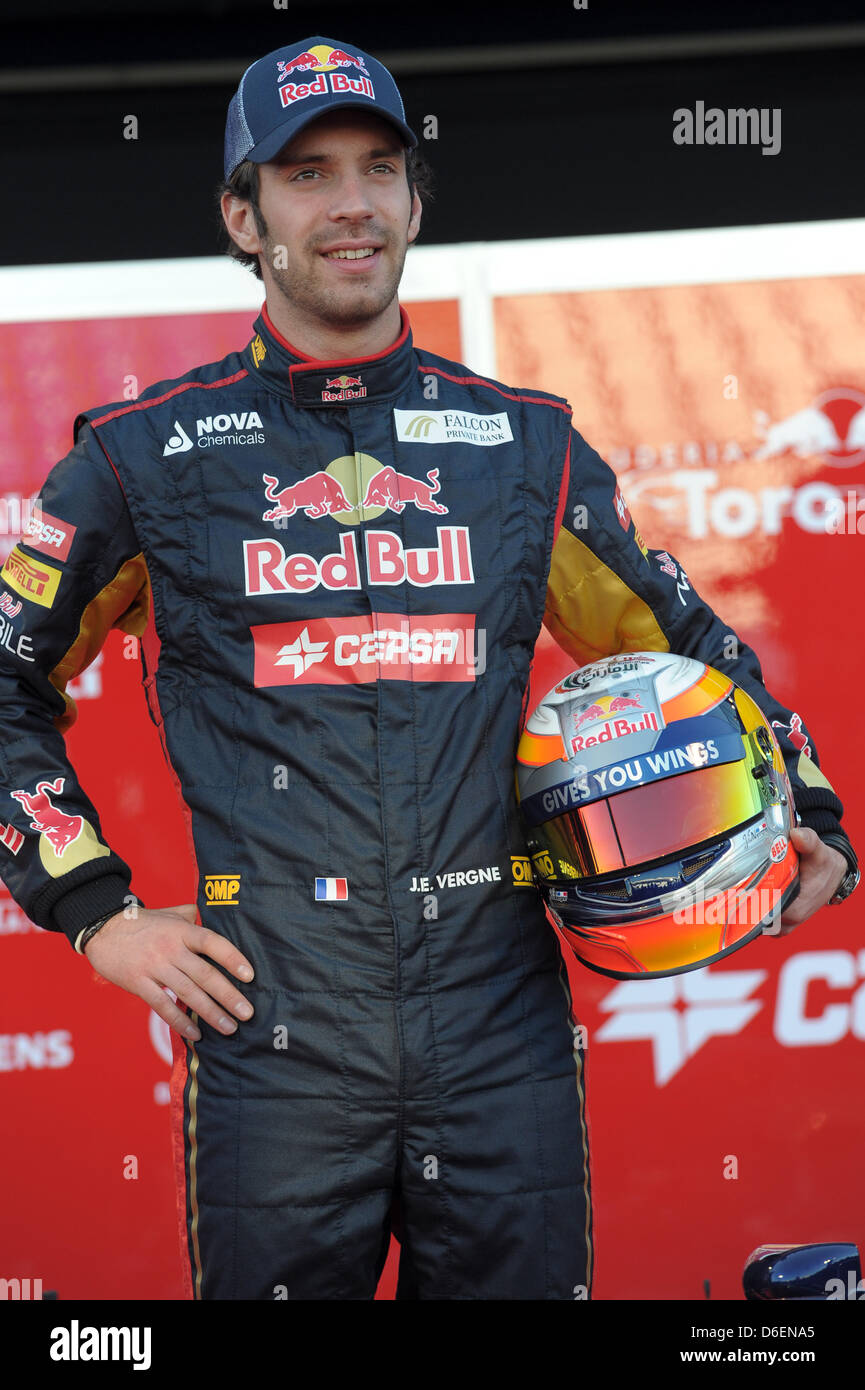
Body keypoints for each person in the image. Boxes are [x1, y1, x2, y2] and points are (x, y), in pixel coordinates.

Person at [0, 35, 857, 1302]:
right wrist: (95, 913)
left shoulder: (521, 447)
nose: (348, 204)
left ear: (413, 198)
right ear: (241, 214)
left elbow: (681, 645)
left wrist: (809, 803)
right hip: (274, 1022)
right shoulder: (141, 455)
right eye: (304, 175)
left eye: (377, 170)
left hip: (496, 1017)